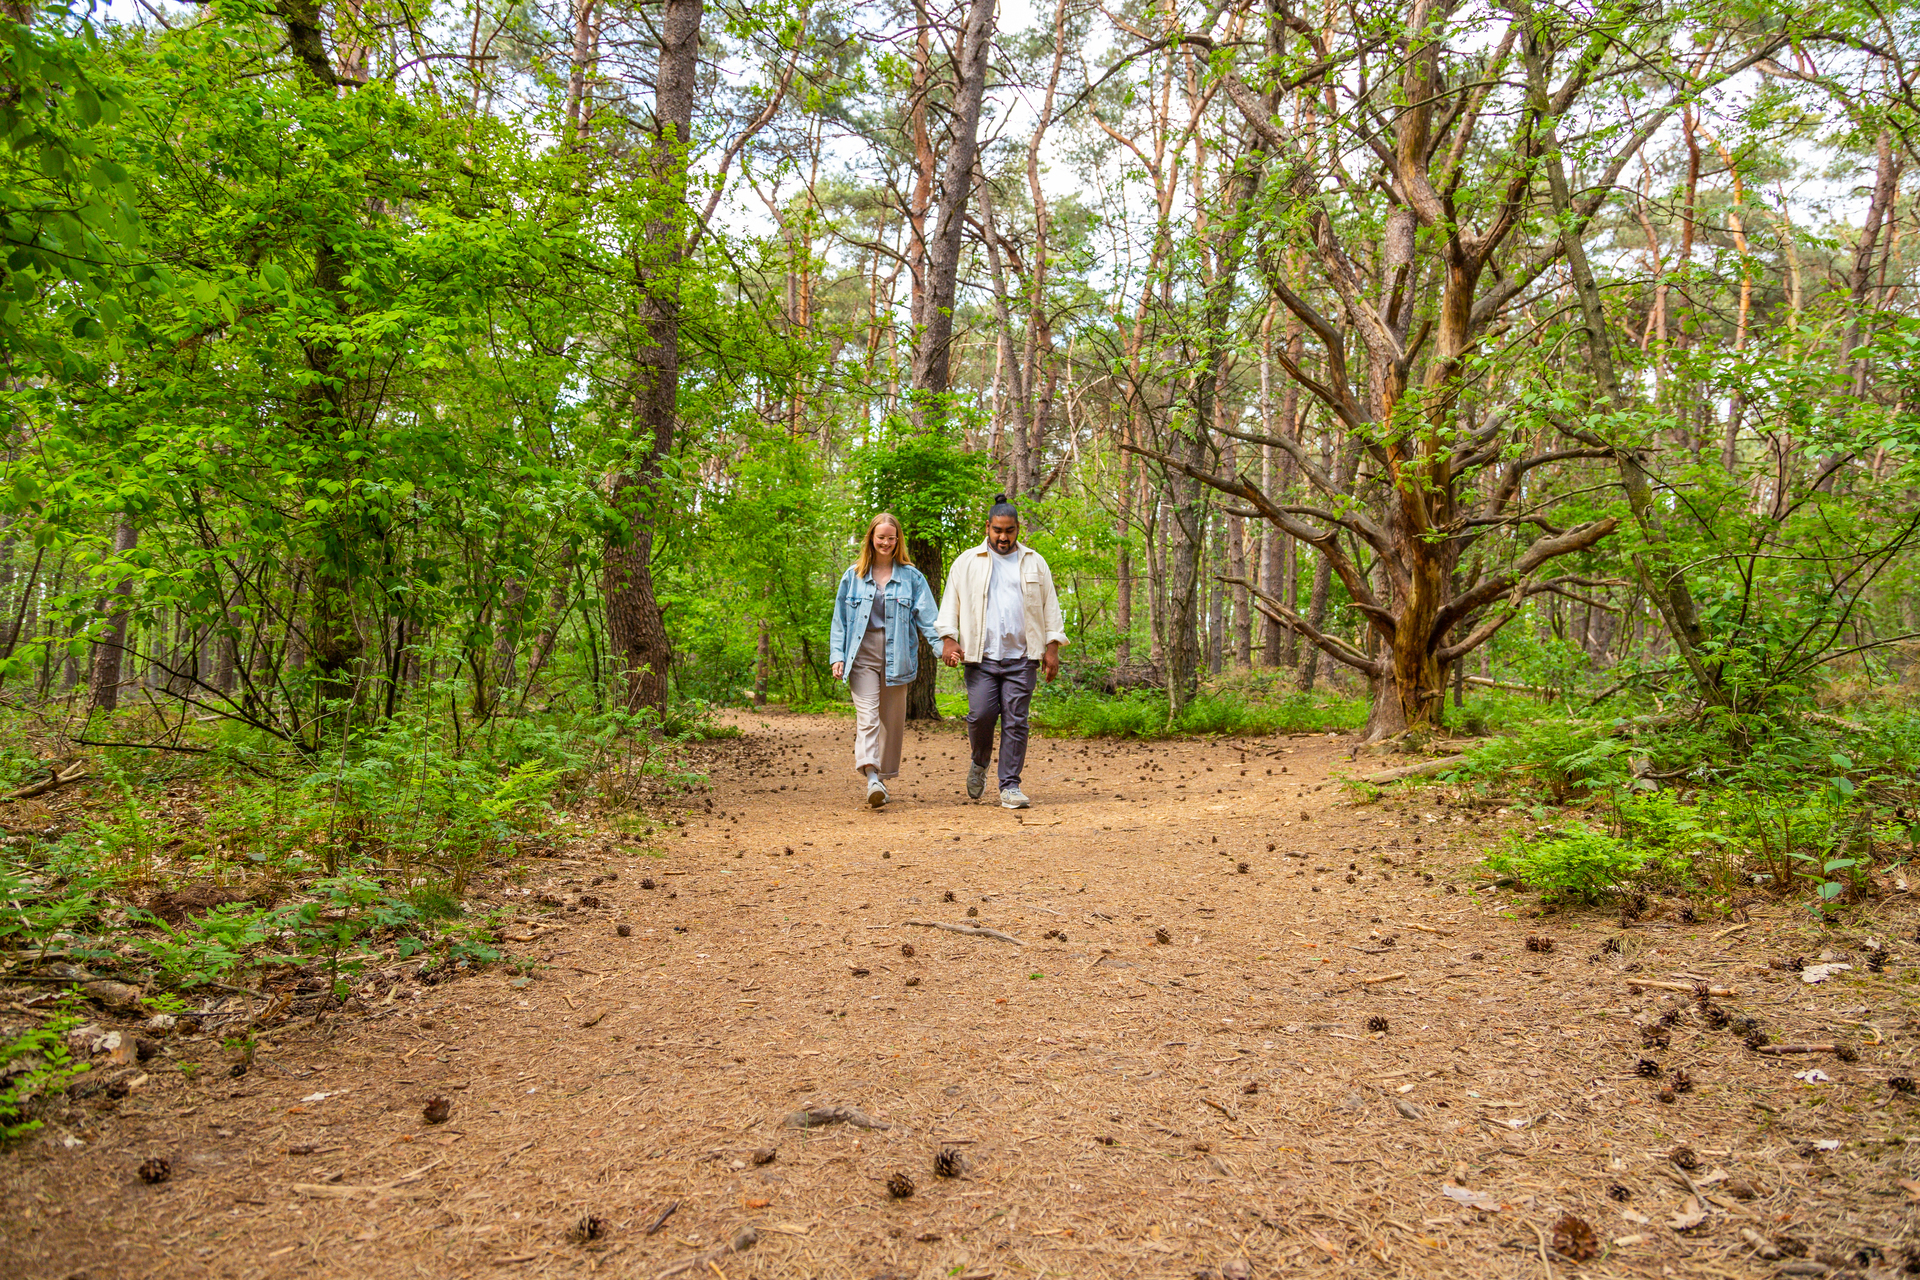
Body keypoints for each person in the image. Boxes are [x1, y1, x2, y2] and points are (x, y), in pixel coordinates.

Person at [937, 494, 1067, 809]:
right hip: (980, 658)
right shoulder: (967, 561)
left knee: (1016, 720)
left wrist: (1052, 648)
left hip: (1021, 658)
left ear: (1018, 529)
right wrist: (948, 639)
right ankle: (980, 761)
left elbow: (1050, 607)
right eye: (997, 530)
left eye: (1009, 530)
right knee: (980, 716)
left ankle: (1010, 785)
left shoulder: (1034, 561)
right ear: (988, 527)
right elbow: (949, 605)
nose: (1003, 537)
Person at [829, 513, 942, 808]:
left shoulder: (912, 577)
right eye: (881, 537)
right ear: (871, 538)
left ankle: (882, 776)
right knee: (867, 718)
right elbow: (839, 621)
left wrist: (945, 648)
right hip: (862, 655)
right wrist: (837, 656)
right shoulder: (852, 576)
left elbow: (929, 619)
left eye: (892, 538)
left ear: (898, 540)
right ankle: (872, 779)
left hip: (898, 656)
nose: (886, 543)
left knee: (891, 722)